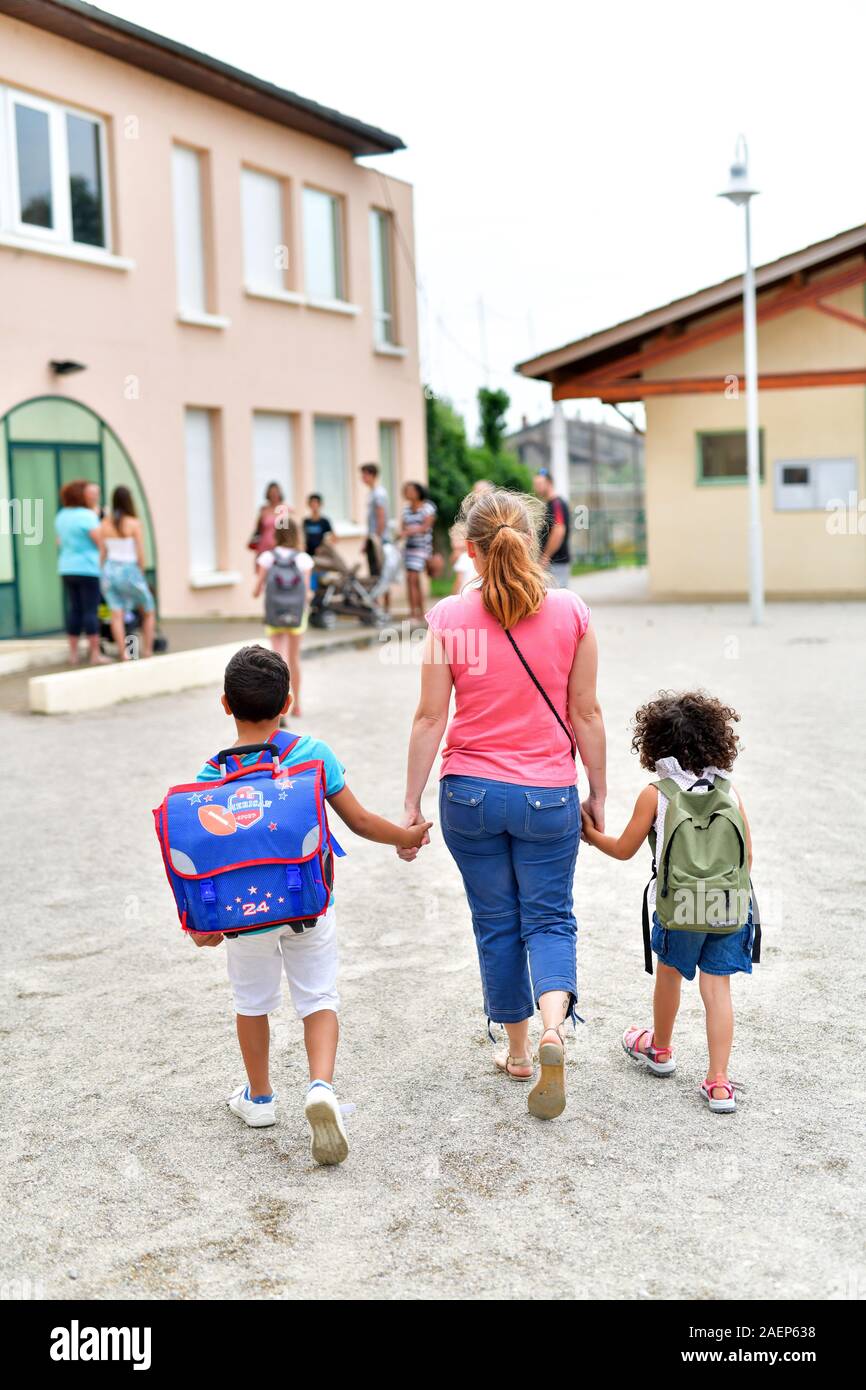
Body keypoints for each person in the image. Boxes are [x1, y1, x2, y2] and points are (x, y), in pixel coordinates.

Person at [399, 488, 606, 1120]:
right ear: (536, 541)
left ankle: (518, 1054)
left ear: (470, 551)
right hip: (547, 795)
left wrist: (410, 807)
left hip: (470, 795)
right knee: (548, 917)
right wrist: (598, 792)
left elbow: (431, 716)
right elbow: (586, 713)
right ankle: (553, 1030)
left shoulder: (448, 620)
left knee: (497, 922)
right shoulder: (571, 612)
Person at [190, 644, 432, 1164]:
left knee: (251, 1001)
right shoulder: (313, 754)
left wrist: (199, 923)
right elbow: (361, 821)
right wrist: (406, 835)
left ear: (225, 704)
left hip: (246, 916)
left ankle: (258, 1098)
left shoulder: (209, 777)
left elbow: (201, 857)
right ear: (289, 700)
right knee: (318, 997)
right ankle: (320, 1087)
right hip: (307, 903)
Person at [580, 692, 755, 1114]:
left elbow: (624, 849)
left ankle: (660, 1050)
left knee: (670, 975)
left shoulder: (657, 793)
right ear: (717, 739)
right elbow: (747, 856)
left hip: (679, 908)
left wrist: (590, 834)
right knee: (718, 991)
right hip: (727, 907)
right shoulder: (728, 792)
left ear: (654, 743)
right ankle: (718, 1084)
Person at [253, 519, 312, 717]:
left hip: (274, 614)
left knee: (278, 659)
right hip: (296, 614)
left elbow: (257, 589)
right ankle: (298, 705)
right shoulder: (303, 559)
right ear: (296, 535)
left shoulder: (267, 558)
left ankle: (280, 707)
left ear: (276, 535)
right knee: (294, 659)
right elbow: (306, 591)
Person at [96, 486, 156, 660]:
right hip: (129, 570)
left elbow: (102, 553)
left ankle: (124, 653)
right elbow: (140, 553)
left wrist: (102, 574)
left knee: (116, 613)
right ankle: (147, 650)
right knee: (148, 608)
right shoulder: (134, 523)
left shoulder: (104, 524)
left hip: (109, 571)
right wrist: (141, 573)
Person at [54, 478, 107, 666]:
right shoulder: (87, 516)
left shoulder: (61, 516)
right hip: (87, 568)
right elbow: (100, 542)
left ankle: (73, 655)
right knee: (90, 611)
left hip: (67, 568)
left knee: (75, 610)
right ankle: (94, 654)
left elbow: (59, 542)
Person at [399, 481, 437, 620]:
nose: (408, 493)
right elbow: (402, 527)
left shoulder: (428, 507)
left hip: (422, 548)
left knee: (413, 577)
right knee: (410, 580)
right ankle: (414, 611)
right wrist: (402, 533)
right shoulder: (406, 510)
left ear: (418, 492)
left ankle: (419, 611)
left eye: (411, 490)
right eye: (406, 490)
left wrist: (410, 531)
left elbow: (426, 527)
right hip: (409, 548)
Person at [533, 468, 571, 588]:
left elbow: (559, 531)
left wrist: (545, 557)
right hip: (553, 563)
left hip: (556, 564)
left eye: (539, 484)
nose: (536, 487)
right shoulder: (551, 504)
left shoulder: (556, 504)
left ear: (549, 484)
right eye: (535, 484)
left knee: (556, 599)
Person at [249, 482, 285, 570]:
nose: (274, 495)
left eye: (276, 492)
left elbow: (287, 530)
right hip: (264, 547)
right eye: (271, 493)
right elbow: (258, 529)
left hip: (278, 548)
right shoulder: (263, 509)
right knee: (263, 574)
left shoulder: (284, 509)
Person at [449, 521, 477, 594]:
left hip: (464, 593)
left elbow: (459, 580)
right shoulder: (474, 555)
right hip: (474, 592)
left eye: (457, 540)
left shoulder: (463, 557)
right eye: (452, 540)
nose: (453, 543)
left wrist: (453, 595)